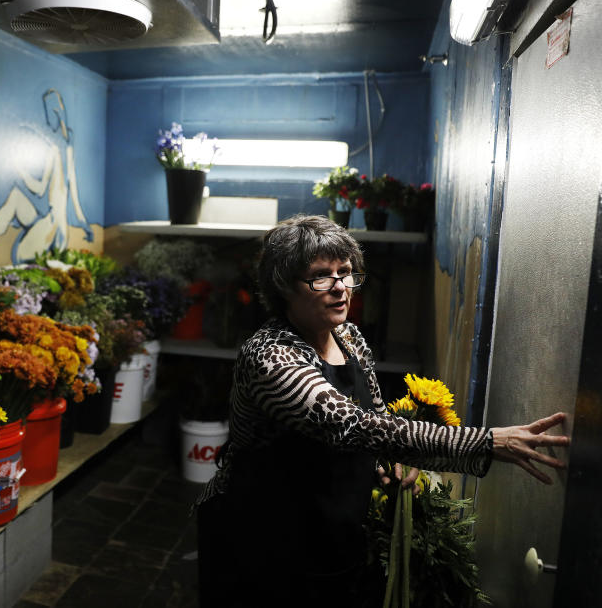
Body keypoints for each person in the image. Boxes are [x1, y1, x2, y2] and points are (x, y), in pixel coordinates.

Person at [195, 214, 569, 607]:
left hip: (331, 530)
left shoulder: (349, 337)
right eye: (321, 277)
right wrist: (488, 441)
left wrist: (387, 464)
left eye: (346, 272)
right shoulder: (270, 355)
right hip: (263, 533)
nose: (341, 288)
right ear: (284, 286)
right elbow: (352, 425)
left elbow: (376, 417)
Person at [0, 88, 93, 263]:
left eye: (49, 113)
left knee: (21, 258)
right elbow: (72, 191)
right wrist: (84, 223)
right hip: (53, 221)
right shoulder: (62, 148)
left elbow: (39, 190)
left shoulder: (56, 149)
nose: (48, 119)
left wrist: (19, 169)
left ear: (54, 112)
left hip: (52, 224)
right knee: (16, 197)